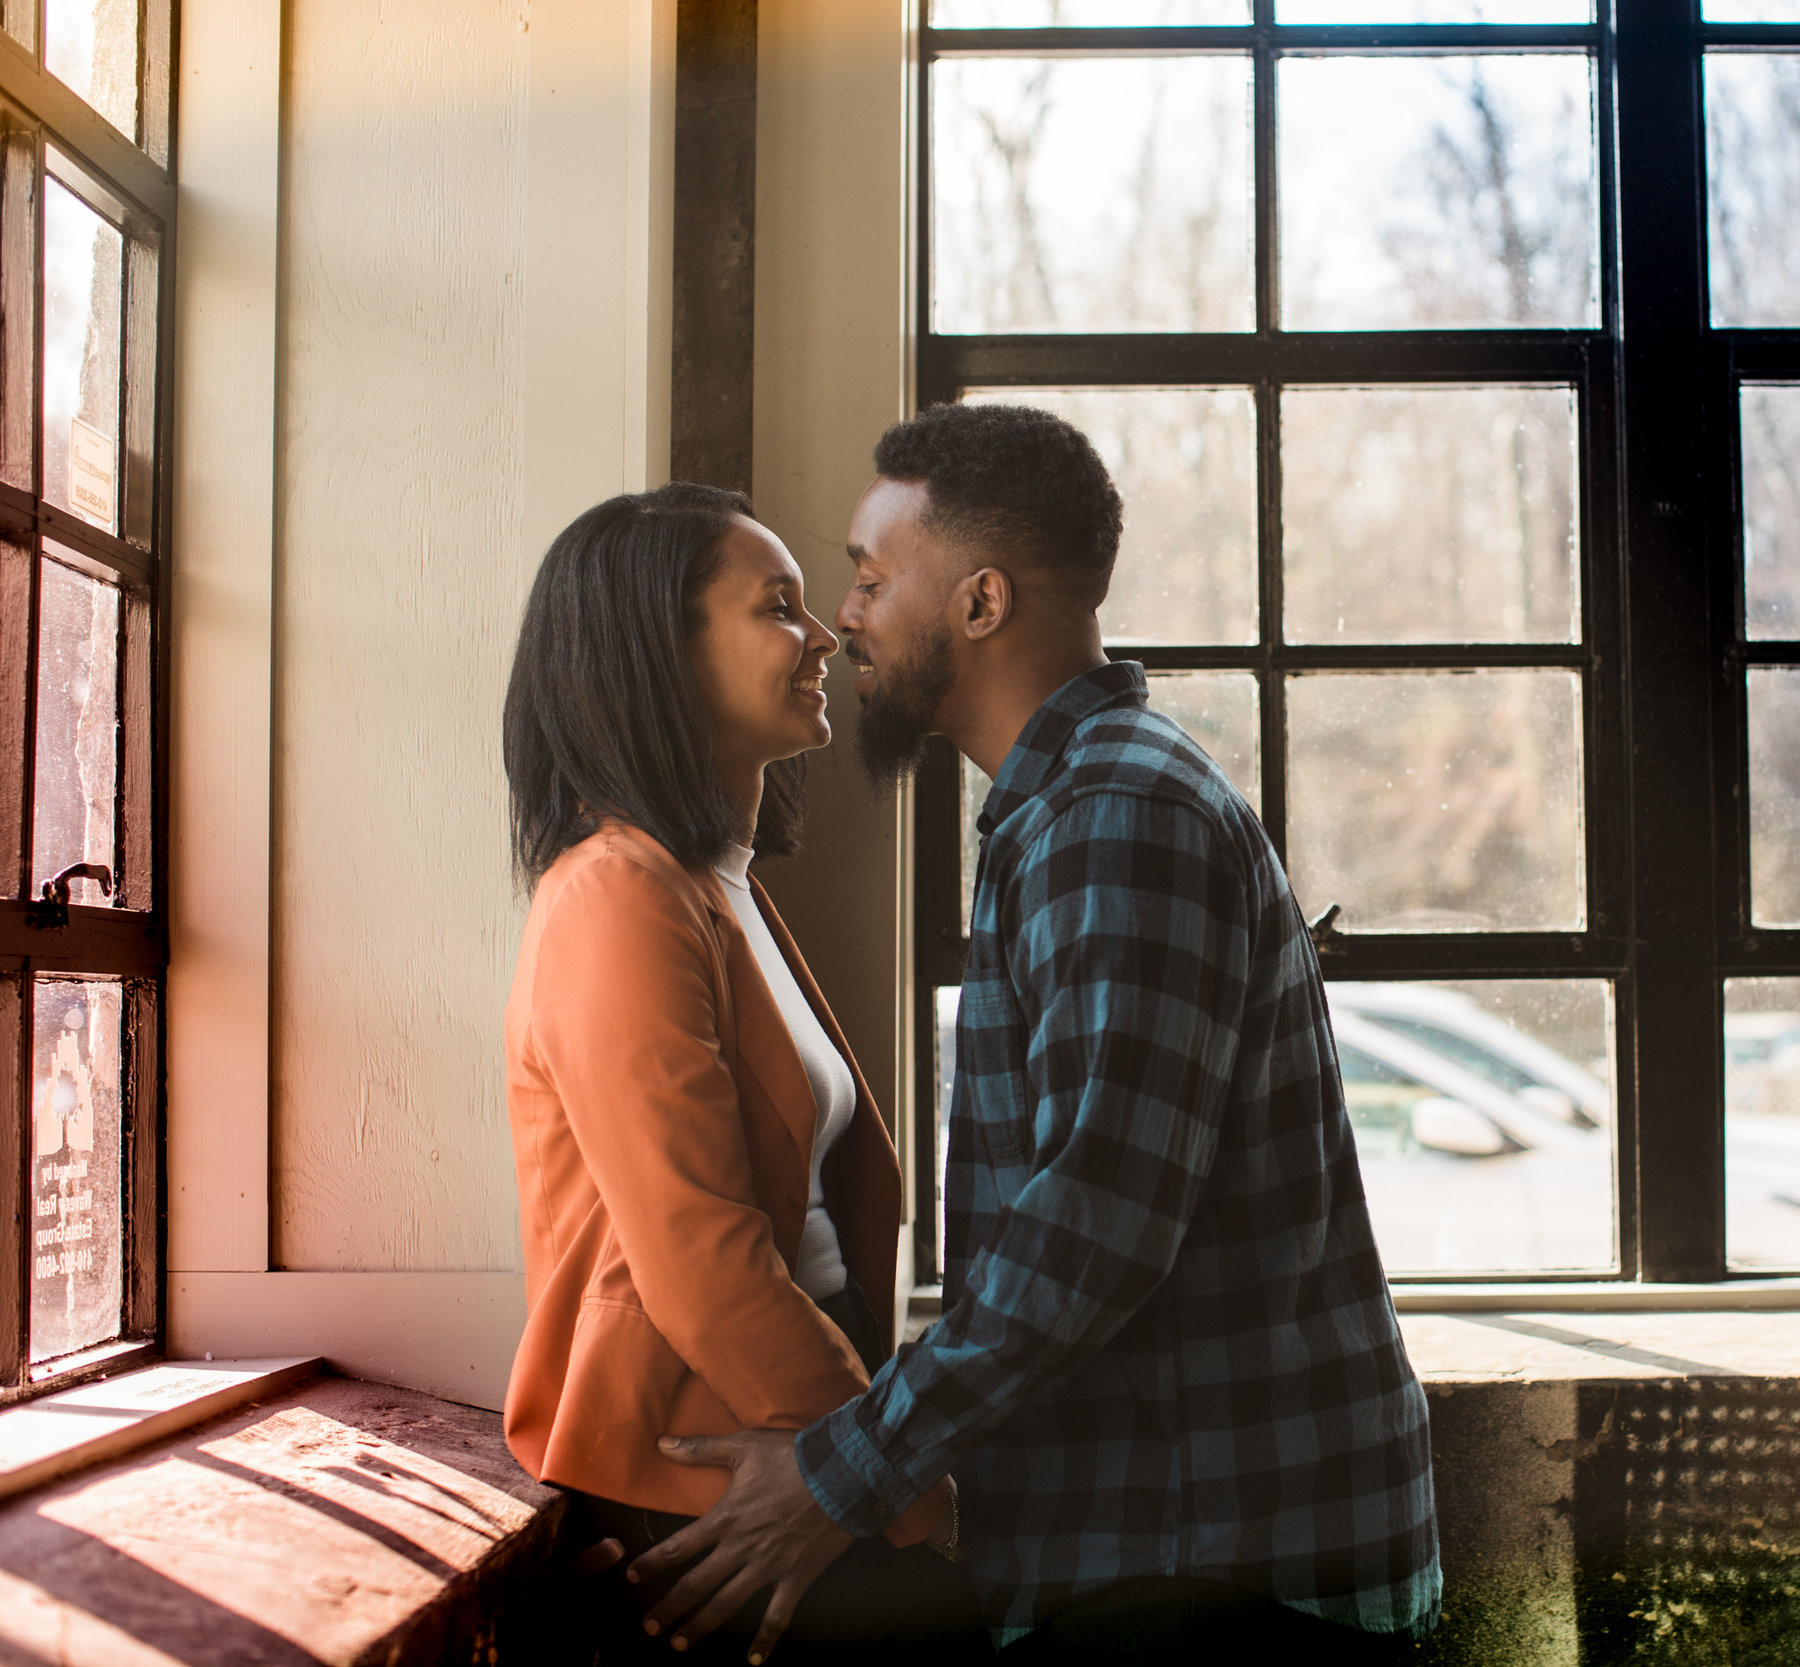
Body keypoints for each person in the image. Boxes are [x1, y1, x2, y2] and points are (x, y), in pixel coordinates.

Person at [620, 406, 1442, 1664]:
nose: (848, 618)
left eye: (872, 575)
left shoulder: (1114, 813)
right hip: (1170, 1551)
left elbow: (1095, 1227)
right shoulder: (1071, 803)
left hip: (1204, 1562)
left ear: (982, 602)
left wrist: (842, 1471)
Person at [498, 482, 989, 1664]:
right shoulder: (618, 894)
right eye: (779, 607)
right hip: (712, 1457)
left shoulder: (718, 882)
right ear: (654, 656)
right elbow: (702, 1250)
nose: (823, 635)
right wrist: (903, 1485)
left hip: (803, 1412)